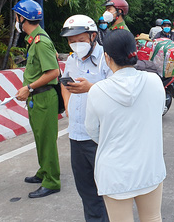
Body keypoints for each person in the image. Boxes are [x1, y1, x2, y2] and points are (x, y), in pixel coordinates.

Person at [85, 29, 166, 222]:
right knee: (153, 217)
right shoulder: (154, 81)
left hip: (114, 173)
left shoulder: (97, 91)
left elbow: (93, 131)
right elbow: (158, 111)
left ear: (107, 57)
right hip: (149, 167)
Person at [60, 15, 111, 221]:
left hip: (100, 136)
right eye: (71, 41)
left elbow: (117, 91)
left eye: (80, 40)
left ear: (92, 36)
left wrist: (91, 88)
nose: (75, 45)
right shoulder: (71, 60)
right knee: (86, 191)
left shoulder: (107, 59)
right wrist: (68, 106)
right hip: (77, 135)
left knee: (108, 189)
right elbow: (65, 85)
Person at [13, 0, 61, 198]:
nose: (15, 20)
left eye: (17, 16)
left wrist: (29, 87)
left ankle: (52, 181)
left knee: (47, 139)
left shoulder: (41, 42)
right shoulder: (34, 40)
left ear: (23, 18)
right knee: (40, 137)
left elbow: (54, 72)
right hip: (36, 98)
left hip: (43, 97)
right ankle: (44, 171)